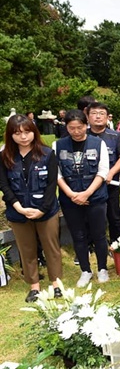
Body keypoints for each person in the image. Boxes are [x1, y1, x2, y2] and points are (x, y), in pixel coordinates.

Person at [0, 115, 62, 302]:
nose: (23, 137)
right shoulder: (4, 157)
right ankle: (34, 286)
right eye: (17, 133)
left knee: (52, 248)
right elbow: (4, 185)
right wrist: (19, 207)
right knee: (27, 249)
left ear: (33, 132)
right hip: (18, 211)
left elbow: (52, 185)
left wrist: (42, 209)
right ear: (10, 136)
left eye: (27, 132)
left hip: (46, 211)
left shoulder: (47, 153)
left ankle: (56, 284)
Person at [54, 109, 110, 288]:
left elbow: (103, 171)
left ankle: (102, 268)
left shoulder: (98, 143)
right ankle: (85, 270)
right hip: (70, 199)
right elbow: (57, 173)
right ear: (66, 128)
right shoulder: (58, 145)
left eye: (80, 127)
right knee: (78, 235)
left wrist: (87, 193)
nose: (76, 132)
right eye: (72, 128)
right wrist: (72, 195)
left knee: (99, 234)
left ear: (86, 125)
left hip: (96, 197)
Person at [87, 101, 120, 243]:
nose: (98, 117)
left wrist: (111, 172)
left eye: (101, 114)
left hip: (110, 184)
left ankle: (118, 244)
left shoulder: (115, 136)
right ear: (88, 116)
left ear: (108, 117)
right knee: (90, 217)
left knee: (114, 216)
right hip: (88, 185)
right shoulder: (83, 135)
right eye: (94, 113)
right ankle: (91, 244)